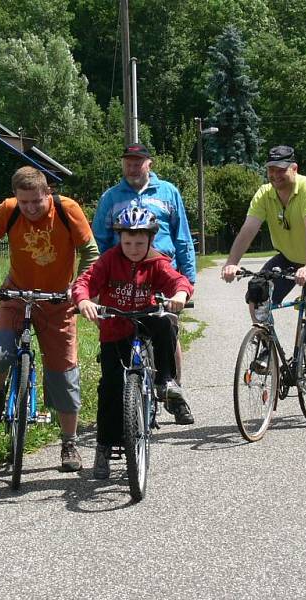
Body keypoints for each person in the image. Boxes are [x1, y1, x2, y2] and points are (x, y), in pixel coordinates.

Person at [0, 166, 99, 472]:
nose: (29, 209)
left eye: (36, 202)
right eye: (23, 202)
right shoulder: (8, 210)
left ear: (48, 193)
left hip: (58, 301)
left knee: (64, 374)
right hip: (16, 296)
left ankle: (69, 443)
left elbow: (90, 252)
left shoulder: (67, 210)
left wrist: (77, 287)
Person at [221, 145, 306, 429]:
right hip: (288, 259)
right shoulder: (265, 194)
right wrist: (231, 262)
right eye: (270, 169)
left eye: (280, 169)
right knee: (256, 290)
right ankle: (265, 343)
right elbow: (249, 228)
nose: (274, 175)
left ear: (294, 168)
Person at [72, 206, 193, 478]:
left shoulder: (157, 262)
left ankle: (166, 381)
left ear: (150, 240)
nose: (134, 248)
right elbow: (85, 282)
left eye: (140, 243)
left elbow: (178, 281)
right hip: (115, 328)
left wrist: (180, 295)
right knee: (110, 388)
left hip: (145, 321)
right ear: (119, 240)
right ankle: (104, 447)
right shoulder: (108, 261)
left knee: (165, 322)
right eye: (127, 242)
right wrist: (83, 301)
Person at [92, 143, 196, 424]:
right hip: (122, 276)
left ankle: (173, 391)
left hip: (163, 274)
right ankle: (131, 394)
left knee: (167, 329)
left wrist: (188, 283)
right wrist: (101, 284)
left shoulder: (168, 192)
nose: (133, 167)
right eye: (128, 161)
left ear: (149, 163)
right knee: (124, 331)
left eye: (138, 161)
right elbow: (99, 241)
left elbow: (182, 238)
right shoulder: (111, 197)